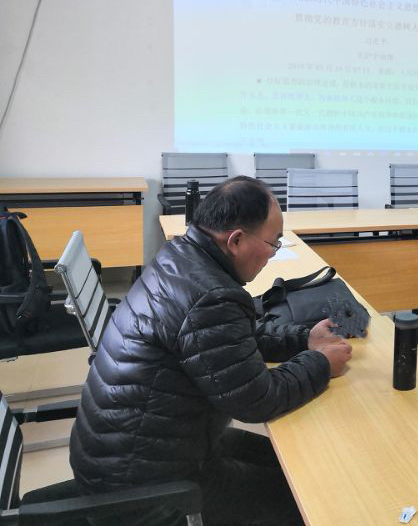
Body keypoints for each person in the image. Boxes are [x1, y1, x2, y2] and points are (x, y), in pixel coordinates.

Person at [70, 176, 353, 526]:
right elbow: (257, 399)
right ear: (235, 240)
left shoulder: (181, 256)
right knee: (307, 500)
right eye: (273, 243)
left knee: (299, 467)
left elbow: (230, 336)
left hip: (137, 449)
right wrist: (320, 362)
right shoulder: (210, 296)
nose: (273, 254)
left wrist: (302, 338)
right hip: (144, 489)